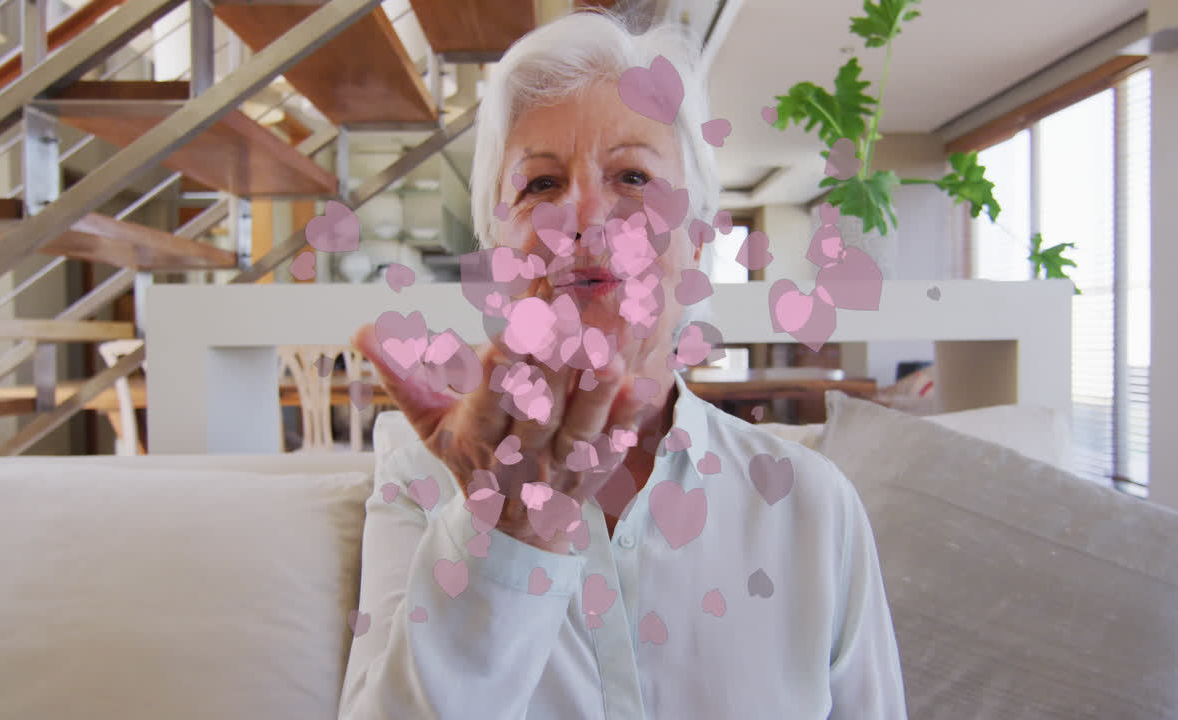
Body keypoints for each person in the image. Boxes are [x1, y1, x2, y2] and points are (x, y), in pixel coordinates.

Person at [339, 9, 906, 719]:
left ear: (697, 240)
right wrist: (507, 541)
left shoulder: (812, 507)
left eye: (633, 177)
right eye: (540, 186)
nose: (583, 214)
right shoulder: (419, 483)